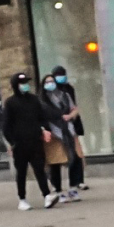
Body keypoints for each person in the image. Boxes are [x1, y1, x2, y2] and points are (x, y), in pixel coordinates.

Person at [0, 72, 58, 210]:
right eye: (22, 83)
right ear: (15, 85)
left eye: (26, 82)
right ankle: (22, 198)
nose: (25, 85)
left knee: (40, 169)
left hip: (35, 141)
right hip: (20, 144)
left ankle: (47, 195)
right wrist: (12, 142)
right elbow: (6, 125)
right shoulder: (10, 103)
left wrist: (45, 129)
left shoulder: (34, 100)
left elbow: (42, 117)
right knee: (21, 172)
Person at [46, 68, 87, 200]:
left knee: (75, 157)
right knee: (56, 161)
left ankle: (73, 187)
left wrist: (70, 116)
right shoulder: (43, 99)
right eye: (48, 81)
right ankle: (58, 189)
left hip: (68, 130)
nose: (51, 83)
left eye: (52, 81)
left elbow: (74, 108)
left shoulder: (65, 94)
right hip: (54, 133)